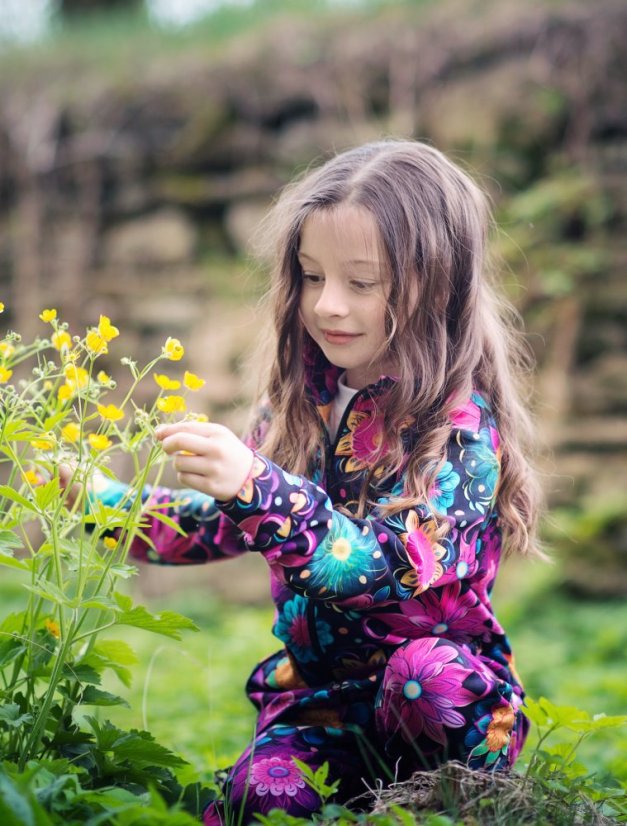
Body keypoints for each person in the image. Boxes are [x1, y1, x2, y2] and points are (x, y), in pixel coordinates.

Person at [86, 140, 544, 824]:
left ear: (437, 284)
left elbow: (382, 567)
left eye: (361, 283)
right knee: (258, 799)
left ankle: (457, 805)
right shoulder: (299, 404)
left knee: (426, 678)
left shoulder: (459, 429)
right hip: (320, 699)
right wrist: (103, 505)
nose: (329, 305)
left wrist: (258, 487)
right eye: (309, 276)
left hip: (445, 707)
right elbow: (222, 522)